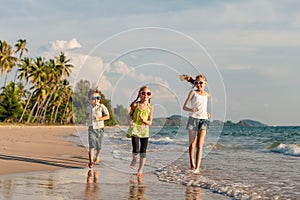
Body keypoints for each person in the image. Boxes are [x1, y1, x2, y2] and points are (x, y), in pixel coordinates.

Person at [181, 74, 210, 174]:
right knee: (192, 144)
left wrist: (207, 113)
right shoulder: (193, 92)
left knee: (199, 145)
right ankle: (192, 164)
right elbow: (184, 107)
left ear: (205, 83)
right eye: (197, 83)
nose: (199, 85)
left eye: (201, 83)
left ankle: (197, 168)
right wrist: (191, 109)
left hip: (204, 120)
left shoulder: (207, 95)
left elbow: (203, 107)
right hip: (193, 119)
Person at [127, 86, 153, 178]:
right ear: (139, 94)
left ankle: (140, 170)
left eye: (148, 93)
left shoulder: (150, 108)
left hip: (145, 131)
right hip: (135, 129)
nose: (145, 95)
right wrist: (130, 122)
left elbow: (150, 122)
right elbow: (129, 115)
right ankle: (134, 159)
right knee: (136, 148)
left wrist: (144, 121)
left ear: (150, 96)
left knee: (143, 151)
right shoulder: (135, 105)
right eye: (143, 93)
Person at [82, 89, 110, 168]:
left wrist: (100, 118)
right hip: (91, 128)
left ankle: (97, 156)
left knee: (98, 146)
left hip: (100, 128)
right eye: (93, 98)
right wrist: (84, 119)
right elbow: (87, 114)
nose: (96, 100)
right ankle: (91, 161)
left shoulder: (102, 106)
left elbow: (107, 116)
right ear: (90, 99)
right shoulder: (89, 107)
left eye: (98, 98)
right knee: (91, 145)